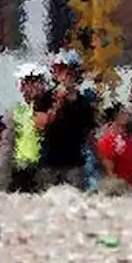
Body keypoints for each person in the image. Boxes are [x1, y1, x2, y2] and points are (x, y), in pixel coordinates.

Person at [35, 50, 96, 189]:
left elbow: (90, 134)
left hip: (74, 164)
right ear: (55, 74)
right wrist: (57, 103)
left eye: (70, 72)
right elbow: (40, 124)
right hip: (49, 162)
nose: (66, 76)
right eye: (61, 71)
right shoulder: (45, 98)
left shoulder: (84, 103)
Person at [4, 64, 48, 193]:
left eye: (38, 82)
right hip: (21, 165)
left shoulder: (47, 109)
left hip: (41, 166)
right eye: (29, 83)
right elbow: (8, 142)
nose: (35, 87)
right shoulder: (16, 110)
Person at [95, 104, 132, 187]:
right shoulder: (107, 139)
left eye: (128, 114)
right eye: (122, 113)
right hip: (119, 185)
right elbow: (109, 168)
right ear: (115, 115)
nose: (126, 116)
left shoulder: (130, 137)